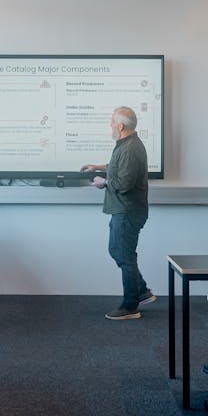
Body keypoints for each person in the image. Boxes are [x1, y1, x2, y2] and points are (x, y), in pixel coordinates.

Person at [82, 106, 153, 321]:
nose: (110, 125)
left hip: (128, 211)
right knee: (118, 251)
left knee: (124, 255)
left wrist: (103, 182)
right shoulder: (126, 145)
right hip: (123, 210)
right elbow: (117, 165)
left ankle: (131, 306)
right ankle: (141, 291)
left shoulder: (131, 148)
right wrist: (98, 166)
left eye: (112, 121)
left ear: (121, 125)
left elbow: (124, 182)